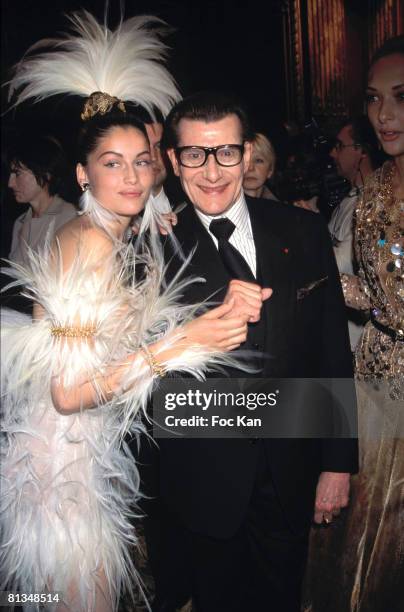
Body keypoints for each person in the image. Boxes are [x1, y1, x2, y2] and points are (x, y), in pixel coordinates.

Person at [0, 14, 248, 612]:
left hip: (82, 453)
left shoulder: (109, 237)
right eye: (112, 163)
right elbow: (68, 391)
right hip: (63, 466)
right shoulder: (87, 244)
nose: (133, 176)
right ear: (83, 173)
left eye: (142, 161)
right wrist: (179, 341)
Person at [139, 91, 358, 612]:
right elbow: (140, 383)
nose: (212, 172)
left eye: (227, 153)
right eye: (195, 154)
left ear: (247, 153)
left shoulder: (302, 230)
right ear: (173, 159)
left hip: (291, 472)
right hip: (203, 485)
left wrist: (337, 463)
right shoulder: (149, 248)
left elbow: (331, 350)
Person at [305, 36, 404, 612]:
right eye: (372, 98)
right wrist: (314, 277)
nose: (383, 114)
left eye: (399, 96)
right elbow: (374, 293)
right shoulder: (372, 194)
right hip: (371, 386)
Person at [328, 116, 381, 351]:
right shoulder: (351, 197)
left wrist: (309, 238)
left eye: (340, 146)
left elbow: (344, 262)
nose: (332, 153)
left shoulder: (373, 201)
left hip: (361, 341)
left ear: (361, 151)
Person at [7, 135, 77, 266]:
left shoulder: (69, 218)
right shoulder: (20, 222)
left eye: (17, 174)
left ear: (46, 173)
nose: (10, 183)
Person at [242, 131, 278, 200]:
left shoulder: (282, 209)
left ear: (270, 170)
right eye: (244, 160)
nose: (250, 168)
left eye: (258, 161)